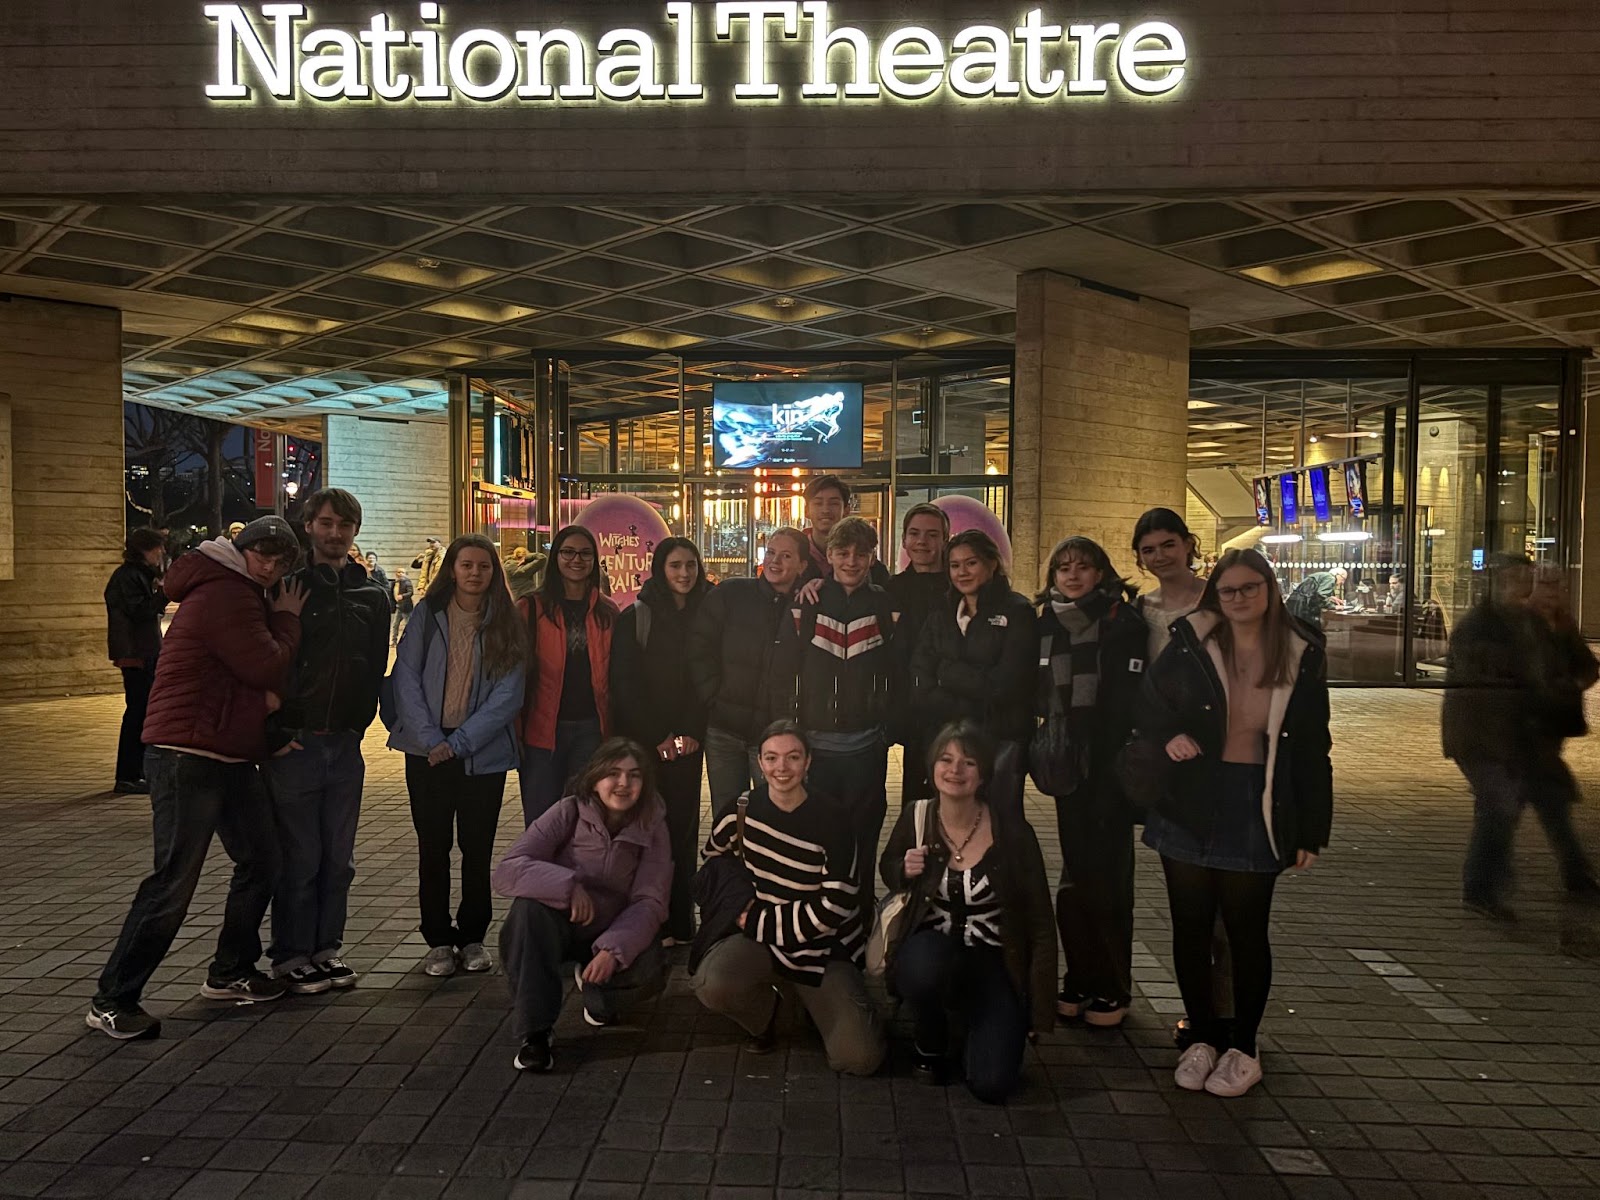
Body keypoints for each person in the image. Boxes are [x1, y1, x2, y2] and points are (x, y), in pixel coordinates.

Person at [87, 517, 306, 1040]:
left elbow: (238, 675)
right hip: (188, 754)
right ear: (242, 548)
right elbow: (262, 664)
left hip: (226, 752)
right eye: (265, 555)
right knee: (173, 881)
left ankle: (230, 971)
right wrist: (288, 621)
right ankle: (113, 998)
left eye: (281, 562)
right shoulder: (227, 591)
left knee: (262, 858)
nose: (271, 566)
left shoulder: (235, 588)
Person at [1133, 548, 1332, 1098]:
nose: (1239, 598)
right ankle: (1201, 1036)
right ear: (1214, 595)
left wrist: (1312, 827)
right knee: (1190, 926)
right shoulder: (1191, 643)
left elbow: (1314, 746)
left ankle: (1244, 1045)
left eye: (1250, 588)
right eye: (1228, 590)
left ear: (1269, 591)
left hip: (1259, 800)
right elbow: (1148, 704)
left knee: (1246, 930)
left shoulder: (1300, 651)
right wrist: (1168, 734)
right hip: (1193, 793)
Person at [690, 721, 884, 1075]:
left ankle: (815, 1003)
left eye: (793, 757)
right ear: (760, 762)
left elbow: (837, 905)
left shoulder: (834, 819)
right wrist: (740, 908)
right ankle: (768, 1017)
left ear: (808, 762)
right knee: (710, 983)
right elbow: (714, 862)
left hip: (822, 948)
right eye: (772, 757)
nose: (782, 768)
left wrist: (757, 921)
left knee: (859, 1059)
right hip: (762, 942)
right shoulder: (741, 810)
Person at [880, 722, 1055, 1102]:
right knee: (922, 967)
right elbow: (889, 865)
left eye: (968, 762)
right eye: (946, 759)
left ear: (984, 774)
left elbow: (1041, 924)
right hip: (934, 948)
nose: (955, 770)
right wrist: (901, 869)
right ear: (932, 768)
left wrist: (1038, 1010)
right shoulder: (917, 816)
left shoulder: (1014, 834)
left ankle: (970, 1023)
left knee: (992, 1086)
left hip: (992, 959)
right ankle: (931, 1034)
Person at [263, 489, 391, 994]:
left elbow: (374, 665)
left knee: (339, 859)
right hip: (296, 743)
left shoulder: (373, 594)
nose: (335, 532)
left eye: (344, 524)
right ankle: (290, 955)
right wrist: (274, 730)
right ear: (309, 525)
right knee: (300, 857)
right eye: (325, 522)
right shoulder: (287, 588)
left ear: (355, 530)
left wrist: (360, 723)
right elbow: (269, 661)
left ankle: (326, 949)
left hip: (345, 743)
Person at [389, 534, 527, 977]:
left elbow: (509, 693)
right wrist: (431, 739)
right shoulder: (428, 616)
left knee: (477, 848)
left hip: (479, 753)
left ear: (494, 572)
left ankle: (472, 936)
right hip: (426, 750)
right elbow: (405, 677)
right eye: (466, 565)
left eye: (483, 566)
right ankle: (437, 940)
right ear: (452, 569)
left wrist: (461, 741)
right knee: (433, 848)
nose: (474, 573)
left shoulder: (506, 620)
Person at [493, 739, 672, 1072]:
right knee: (527, 913)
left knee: (650, 960)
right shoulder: (569, 810)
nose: (623, 784)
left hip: (611, 927)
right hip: (560, 922)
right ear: (594, 779)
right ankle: (536, 1034)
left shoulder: (652, 823)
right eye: (613, 774)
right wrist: (567, 885)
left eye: (634, 775)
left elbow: (651, 900)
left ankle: (601, 999)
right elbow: (508, 869)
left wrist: (612, 950)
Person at [1444, 556, 1600, 918]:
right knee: (1500, 804)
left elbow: (1556, 670)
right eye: (1515, 579)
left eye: (1526, 579)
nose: (1523, 586)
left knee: (1551, 800)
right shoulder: (1480, 627)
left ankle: (1575, 875)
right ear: (1496, 583)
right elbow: (1489, 686)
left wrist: (1560, 685)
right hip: (1484, 737)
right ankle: (1481, 889)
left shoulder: (1532, 624)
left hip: (1525, 736)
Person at [1033, 536, 1147, 1029]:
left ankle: (1112, 986)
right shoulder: (1046, 624)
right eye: (1063, 568)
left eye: (1082, 566)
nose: (1072, 575)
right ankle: (1078, 978)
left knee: (1110, 878)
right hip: (1067, 763)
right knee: (1076, 874)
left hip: (1110, 762)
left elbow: (1128, 699)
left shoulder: (1123, 623)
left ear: (1101, 572)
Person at [1131, 506, 1227, 1048]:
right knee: (1186, 894)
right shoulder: (1141, 610)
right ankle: (1200, 1016)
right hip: (1167, 751)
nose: (1160, 556)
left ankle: (1230, 1014)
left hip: (1219, 752)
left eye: (1168, 545)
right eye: (1149, 549)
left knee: (1224, 898)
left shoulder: (1219, 603)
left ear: (1188, 545)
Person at [777, 516, 897, 908]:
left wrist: (887, 729)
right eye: (843, 553)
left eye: (861, 554)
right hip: (817, 746)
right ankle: (818, 915)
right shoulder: (806, 602)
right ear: (828, 555)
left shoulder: (885, 605)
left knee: (864, 836)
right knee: (819, 837)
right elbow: (784, 670)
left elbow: (900, 669)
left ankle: (860, 917)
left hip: (867, 748)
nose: (851, 561)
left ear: (871, 557)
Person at [610, 538, 711, 944]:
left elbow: (709, 677)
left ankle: (681, 921)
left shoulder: (710, 611)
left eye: (690, 564)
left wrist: (690, 734)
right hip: (645, 742)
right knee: (645, 830)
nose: (684, 574)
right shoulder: (637, 615)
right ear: (659, 568)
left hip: (689, 743)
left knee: (682, 831)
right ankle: (648, 917)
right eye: (675, 566)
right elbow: (624, 683)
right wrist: (659, 736)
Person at [909, 530, 1035, 812]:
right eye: (955, 565)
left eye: (971, 563)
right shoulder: (941, 612)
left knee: (999, 821)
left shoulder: (1018, 611)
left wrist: (948, 673)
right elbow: (921, 673)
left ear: (992, 564)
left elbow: (1007, 685)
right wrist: (957, 702)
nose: (962, 572)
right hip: (948, 736)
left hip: (1000, 740)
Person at [687, 527, 807, 810]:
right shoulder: (732, 593)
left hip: (775, 735)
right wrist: (713, 697)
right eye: (771, 553)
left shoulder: (807, 605)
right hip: (724, 729)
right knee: (727, 814)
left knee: (774, 813)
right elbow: (699, 646)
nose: (775, 562)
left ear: (802, 565)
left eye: (786, 556)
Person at [517, 525, 618, 826]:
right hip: (541, 731)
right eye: (568, 552)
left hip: (592, 730)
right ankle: (542, 875)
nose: (577, 559)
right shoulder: (530, 608)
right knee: (542, 823)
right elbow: (512, 673)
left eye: (586, 553)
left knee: (585, 821)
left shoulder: (608, 611)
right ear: (556, 557)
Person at [888, 503, 951, 808]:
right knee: (915, 800)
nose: (922, 542)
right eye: (914, 533)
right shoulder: (890, 589)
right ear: (904, 540)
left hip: (952, 710)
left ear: (945, 540)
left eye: (931, 535)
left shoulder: (959, 588)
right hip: (909, 710)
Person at [105, 527, 168, 795]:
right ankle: (128, 775)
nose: (162, 553)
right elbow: (140, 611)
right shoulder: (129, 577)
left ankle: (136, 772)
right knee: (137, 712)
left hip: (141, 651)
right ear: (144, 550)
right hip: (136, 654)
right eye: (158, 548)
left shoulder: (138, 575)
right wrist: (163, 594)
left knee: (142, 711)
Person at [800, 475, 891, 586]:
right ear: (806, 511)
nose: (826, 510)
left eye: (834, 503)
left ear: (846, 510)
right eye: (818, 503)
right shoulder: (794, 555)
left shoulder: (873, 569)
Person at [392, 567, 414, 646]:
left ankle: (410, 641)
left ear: (405, 574)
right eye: (398, 572)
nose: (400, 574)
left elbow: (410, 592)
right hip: (399, 606)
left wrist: (402, 596)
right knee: (395, 625)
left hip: (406, 607)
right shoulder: (396, 582)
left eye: (402, 572)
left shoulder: (407, 582)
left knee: (408, 625)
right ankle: (394, 641)